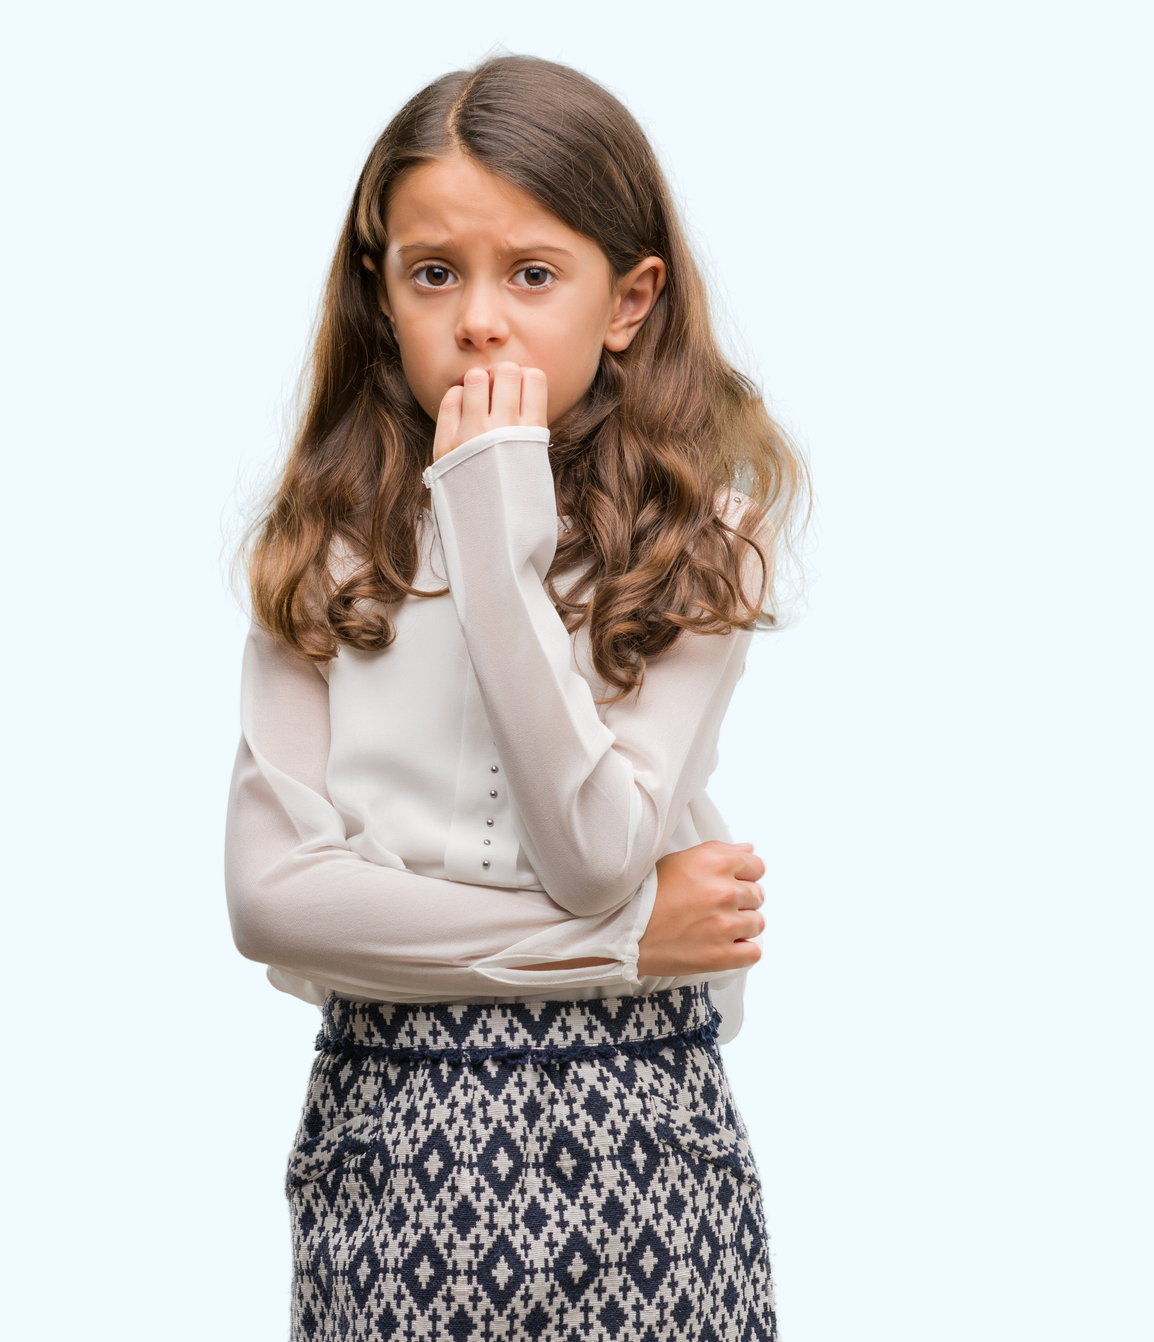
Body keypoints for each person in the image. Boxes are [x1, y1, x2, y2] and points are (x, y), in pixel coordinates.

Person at [225, 54, 800, 1342]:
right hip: (394, 1149)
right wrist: (620, 948)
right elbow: (274, 901)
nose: (480, 319)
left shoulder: (705, 536)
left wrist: (493, 535)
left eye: (532, 275)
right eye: (435, 274)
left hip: (638, 1149)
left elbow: (592, 848)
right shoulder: (321, 543)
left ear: (628, 300)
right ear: (381, 293)